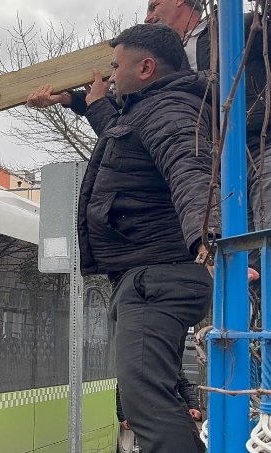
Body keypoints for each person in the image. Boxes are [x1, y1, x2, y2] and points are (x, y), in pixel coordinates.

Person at [26, 23, 217, 452]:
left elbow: (189, 169)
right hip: (151, 274)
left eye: (115, 67)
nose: (108, 77)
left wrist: (207, 241)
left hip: (158, 276)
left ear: (146, 67)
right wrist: (74, 101)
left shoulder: (167, 111)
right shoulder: (147, 108)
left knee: (145, 404)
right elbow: (123, 138)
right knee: (149, 398)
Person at [146, 0, 271, 231]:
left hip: (260, 148)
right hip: (214, 166)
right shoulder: (166, 60)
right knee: (244, 253)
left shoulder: (238, 27)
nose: (148, 17)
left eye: (154, 6)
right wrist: (76, 100)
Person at [116, 370, 204, 452]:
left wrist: (193, 406)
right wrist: (123, 416)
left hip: (175, 410)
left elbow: (183, 384)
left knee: (195, 445)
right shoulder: (137, 361)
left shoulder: (170, 358)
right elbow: (123, 386)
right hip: (148, 414)